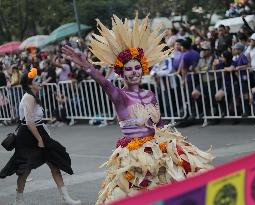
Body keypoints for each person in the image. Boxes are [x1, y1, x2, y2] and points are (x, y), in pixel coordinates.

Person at [62, 14, 214, 205]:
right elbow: (105, 85)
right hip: (134, 155)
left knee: (182, 182)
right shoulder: (120, 96)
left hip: (160, 150)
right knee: (134, 196)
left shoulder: (150, 94)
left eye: (137, 68)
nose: (134, 72)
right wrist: (88, 67)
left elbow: (160, 124)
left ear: (142, 69)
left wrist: (173, 143)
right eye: (128, 69)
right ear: (122, 72)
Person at [0, 68, 81, 205]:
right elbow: (30, 122)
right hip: (28, 137)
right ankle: (18, 200)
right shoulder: (29, 97)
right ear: (30, 84)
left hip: (39, 132)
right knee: (25, 169)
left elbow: (36, 121)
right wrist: (39, 139)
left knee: (55, 164)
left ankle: (66, 198)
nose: (41, 82)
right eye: (37, 80)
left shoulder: (33, 95)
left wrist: (44, 136)